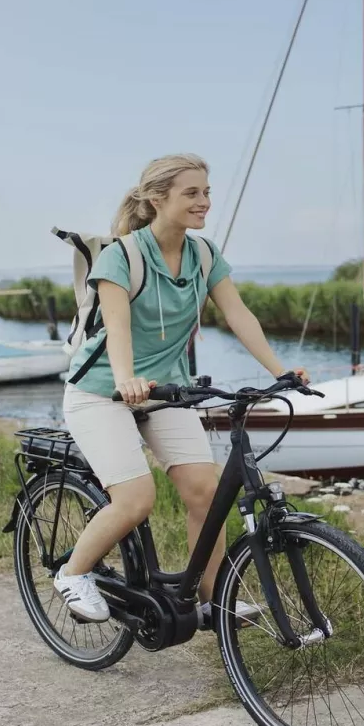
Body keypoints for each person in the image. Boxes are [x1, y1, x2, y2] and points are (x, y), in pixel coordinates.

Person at [53, 154, 306, 626]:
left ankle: (211, 600)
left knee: (206, 492)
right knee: (135, 499)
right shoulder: (122, 256)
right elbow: (118, 328)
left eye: (206, 192)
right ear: (157, 198)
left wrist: (281, 370)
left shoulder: (204, 254)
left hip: (166, 391)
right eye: (192, 193)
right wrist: (127, 379)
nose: (204, 202)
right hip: (101, 392)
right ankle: (73, 573)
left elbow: (239, 315)